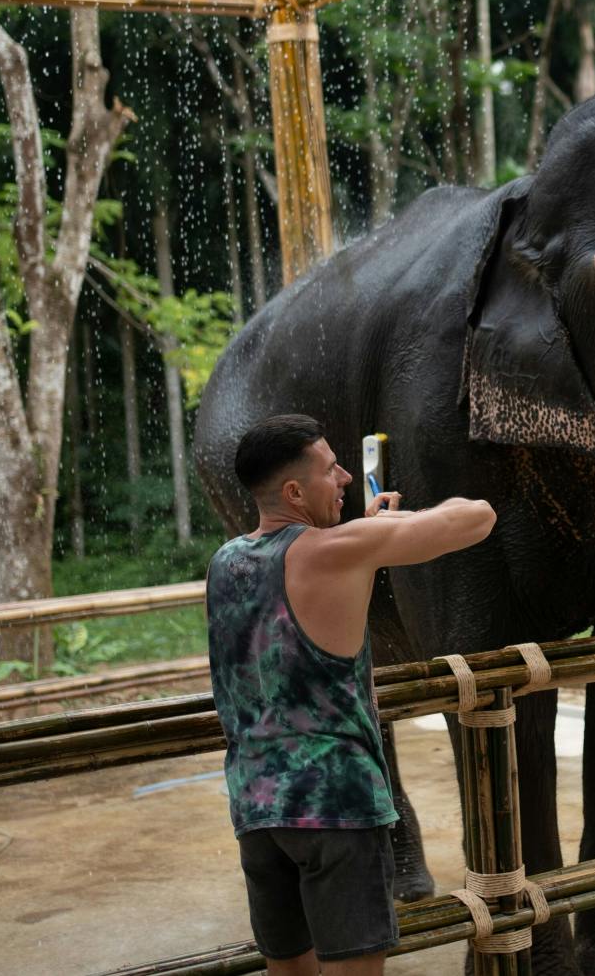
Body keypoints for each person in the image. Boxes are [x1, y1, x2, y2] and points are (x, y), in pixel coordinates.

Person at [207, 414, 496, 976]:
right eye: (329, 469)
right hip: (336, 808)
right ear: (294, 491)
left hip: (258, 807)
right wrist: (396, 523)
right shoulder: (340, 549)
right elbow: (477, 518)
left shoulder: (225, 562)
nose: (342, 477)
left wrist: (362, 533)